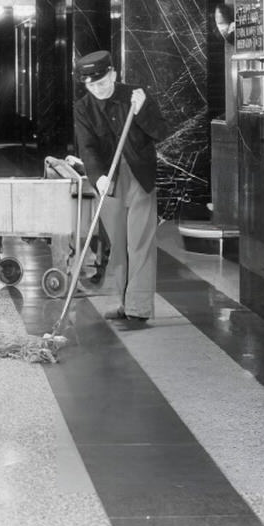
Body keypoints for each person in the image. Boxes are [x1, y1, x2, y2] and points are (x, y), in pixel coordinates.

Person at [72, 50, 169, 329]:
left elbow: (161, 132)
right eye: (91, 86)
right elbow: (87, 147)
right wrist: (98, 177)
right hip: (109, 181)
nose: (98, 89)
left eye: (102, 83)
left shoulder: (136, 95)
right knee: (117, 246)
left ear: (113, 74)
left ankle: (139, 308)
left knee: (140, 243)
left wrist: (141, 111)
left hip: (139, 176)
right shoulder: (83, 108)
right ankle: (125, 303)